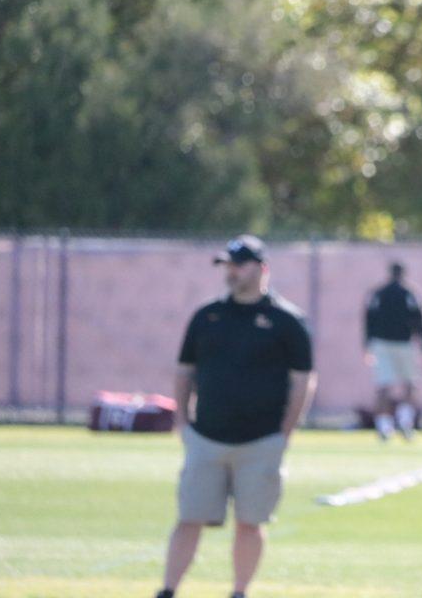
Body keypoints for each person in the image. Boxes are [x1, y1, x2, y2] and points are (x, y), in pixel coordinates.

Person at [155, 235, 317, 598]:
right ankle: (167, 590)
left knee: (250, 522)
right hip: (207, 437)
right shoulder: (206, 316)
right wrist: (183, 422)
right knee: (189, 517)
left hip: (260, 440)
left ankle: (239, 591)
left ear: (261, 269)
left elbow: (303, 380)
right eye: (226, 265)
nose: (230, 272)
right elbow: (184, 371)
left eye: (238, 265)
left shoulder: (287, 321)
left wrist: (285, 431)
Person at [364, 261, 422, 440]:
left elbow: (368, 321)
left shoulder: (379, 293)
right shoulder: (409, 293)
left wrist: (367, 345)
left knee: (385, 385)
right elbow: (420, 321)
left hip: (382, 344)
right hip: (403, 343)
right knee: (409, 384)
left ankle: (385, 426)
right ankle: (404, 422)